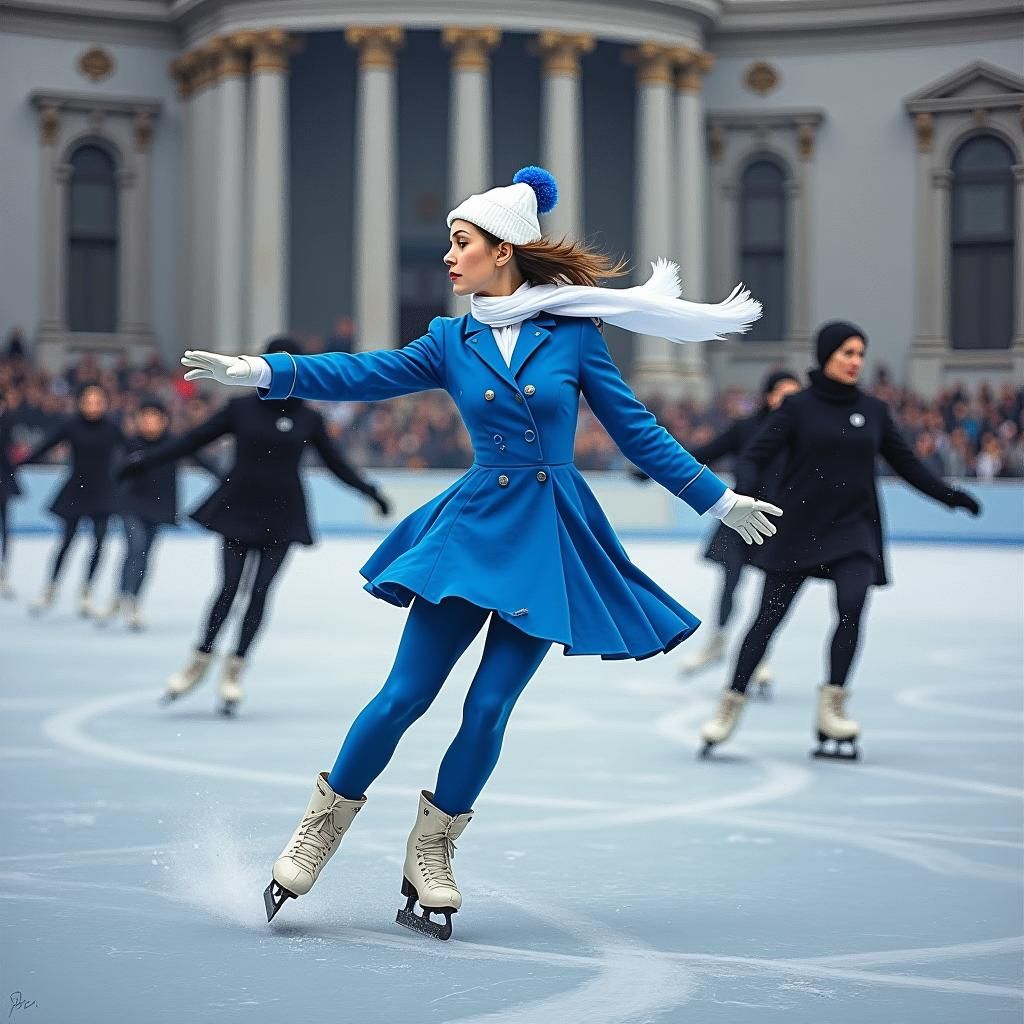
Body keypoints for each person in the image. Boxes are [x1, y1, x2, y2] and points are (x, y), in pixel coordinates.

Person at [179, 166, 781, 938]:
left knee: (489, 706)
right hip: (472, 532)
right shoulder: (449, 340)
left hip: (550, 536)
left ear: (504, 252)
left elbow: (634, 428)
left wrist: (717, 499)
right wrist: (267, 371)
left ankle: (432, 849)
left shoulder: (572, 336)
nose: (448, 256)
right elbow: (366, 373)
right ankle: (318, 832)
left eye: (462, 243)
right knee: (404, 695)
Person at [699, 321, 982, 760]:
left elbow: (906, 463)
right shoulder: (797, 408)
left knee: (852, 606)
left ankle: (832, 706)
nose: (855, 361)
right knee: (767, 620)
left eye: (860, 354)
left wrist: (951, 496)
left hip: (855, 529)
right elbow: (754, 457)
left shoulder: (873, 410)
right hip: (798, 528)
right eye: (847, 352)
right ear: (826, 354)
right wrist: (746, 501)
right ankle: (730, 703)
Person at [119, 337, 392, 715]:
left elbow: (336, 464)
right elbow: (193, 440)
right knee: (229, 588)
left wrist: (371, 491)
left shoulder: (308, 418)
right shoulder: (242, 408)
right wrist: (145, 459)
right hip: (239, 507)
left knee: (260, 592)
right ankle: (199, 660)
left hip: (283, 514)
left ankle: (234, 671)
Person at [680, 370, 801, 693]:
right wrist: (653, 470)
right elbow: (708, 452)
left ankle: (758, 655)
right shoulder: (747, 428)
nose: (789, 402)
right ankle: (717, 641)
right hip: (739, 517)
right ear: (769, 396)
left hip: (779, 521)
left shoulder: (802, 434)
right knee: (730, 580)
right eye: (783, 394)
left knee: (770, 592)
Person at [98, 397, 220, 631]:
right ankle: (122, 596)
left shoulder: (174, 443)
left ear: (164, 421)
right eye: (146, 418)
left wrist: (227, 477)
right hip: (131, 505)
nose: (151, 423)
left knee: (145, 555)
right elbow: (115, 471)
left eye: (155, 418)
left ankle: (133, 599)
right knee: (135, 547)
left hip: (160, 506)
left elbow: (203, 461)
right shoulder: (129, 445)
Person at [22, 382, 124, 616]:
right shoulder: (71, 426)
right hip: (76, 490)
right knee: (66, 542)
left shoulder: (112, 428)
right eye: (88, 401)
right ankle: (51, 587)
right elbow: (45, 446)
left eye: (98, 401)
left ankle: (87, 591)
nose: (93, 406)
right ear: (80, 402)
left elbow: (131, 452)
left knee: (99, 543)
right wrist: (18, 463)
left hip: (103, 493)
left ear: (105, 404)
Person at [0, 391, 22, 598]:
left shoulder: (8, 422)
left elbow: (9, 454)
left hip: (3, 482)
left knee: (6, 527)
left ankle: (4, 571)